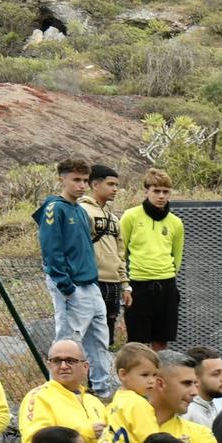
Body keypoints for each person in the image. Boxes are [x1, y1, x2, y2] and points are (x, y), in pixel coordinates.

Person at [37, 158, 114, 397]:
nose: (81, 185)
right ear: (62, 179)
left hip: (90, 284)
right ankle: (59, 394)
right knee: (67, 344)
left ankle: (102, 392)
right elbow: (51, 249)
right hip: (71, 286)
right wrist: (65, 285)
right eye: (76, 180)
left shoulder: (80, 210)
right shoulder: (54, 208)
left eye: (84, 180)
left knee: (99, 340)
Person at [118, 169, 183, 351]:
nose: (161, 196)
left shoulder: (175, 222)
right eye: (156, 191)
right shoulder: (131, 216)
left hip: (166, 285)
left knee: (161, 340)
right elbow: (121, 252)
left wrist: (167, 275)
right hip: (138, 285)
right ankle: (137, 378)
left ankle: (158, 378)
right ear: (146, 191)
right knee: (137, 343)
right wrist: (125, 284)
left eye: (165, 191)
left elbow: (176, 256)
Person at [84, 164, 127, 348]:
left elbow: (120, 253)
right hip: (92, 282)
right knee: (88, 336)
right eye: (110, 184)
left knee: (107, 337)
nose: (115, 189)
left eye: (116, 185)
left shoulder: (114, 218)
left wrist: (125, 284)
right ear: (95, 184)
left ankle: (102, 376)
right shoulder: (83, 212)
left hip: (113, 282)